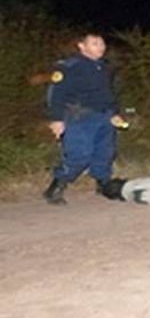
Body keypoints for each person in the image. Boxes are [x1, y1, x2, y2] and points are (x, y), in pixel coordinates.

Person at [42, 33, 125, 205]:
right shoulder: (70, 66)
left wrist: (115, 113)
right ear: (82, 46)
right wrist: (56, 119)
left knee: (105, 152)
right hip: (80, 117)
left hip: (104, 116)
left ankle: (103, 184)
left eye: (102, 43)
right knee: (79, 154)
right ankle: (56, 187)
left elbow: (108, 93)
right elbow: (56, 93)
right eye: (94, 43)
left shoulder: (104, 67)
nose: (100, 47)